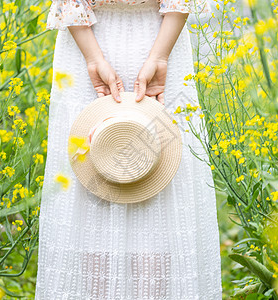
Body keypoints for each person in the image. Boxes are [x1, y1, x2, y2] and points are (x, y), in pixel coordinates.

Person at [35, 0, 222, 298]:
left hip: (106, 39)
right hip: (153, 37)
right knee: (99, 177)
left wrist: (97, 59)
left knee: (154, 172)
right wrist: (158, 57)